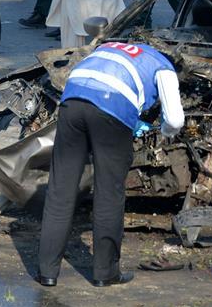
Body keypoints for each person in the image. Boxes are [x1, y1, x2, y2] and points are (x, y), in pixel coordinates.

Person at [36, 41, 184, 287]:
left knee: (60, 189)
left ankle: (47, 272)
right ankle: (105, 273)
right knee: (108, 193)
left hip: (73, 101)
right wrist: (164, 131)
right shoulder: (163, 66)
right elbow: (176, 120)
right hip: (111, 109)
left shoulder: (111, 47)